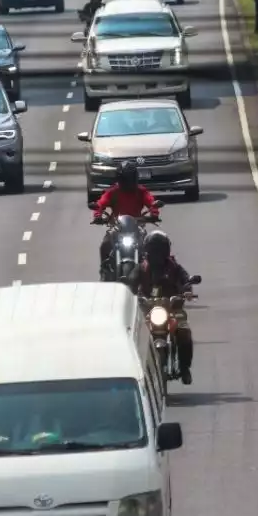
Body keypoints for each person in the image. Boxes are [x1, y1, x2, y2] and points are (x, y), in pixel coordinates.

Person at [134, 231, 197, 385]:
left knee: (184, 332)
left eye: (160, 249)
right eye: (154, 249)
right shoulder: (141, 268)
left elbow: (185, 279)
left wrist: (187, 290)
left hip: (173, 309)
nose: (157, 253)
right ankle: (136, 371)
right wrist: (128, 292)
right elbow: (130, 283)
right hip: (148, 310)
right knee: (135, 336)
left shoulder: (174, 267)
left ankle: (184, 367)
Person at [93, 162, 160, 275]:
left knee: (150, 246)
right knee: (105, 244)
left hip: (137, 227)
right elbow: (100, 203)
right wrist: (98, 216)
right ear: (120, 179)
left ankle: (150, 273)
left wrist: (154, 214)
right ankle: (104, 270)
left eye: (130, 178)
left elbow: (151, 202)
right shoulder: (113, 192)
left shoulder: (141, 191)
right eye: (126, 178)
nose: (128, 181)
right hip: (117, 227)